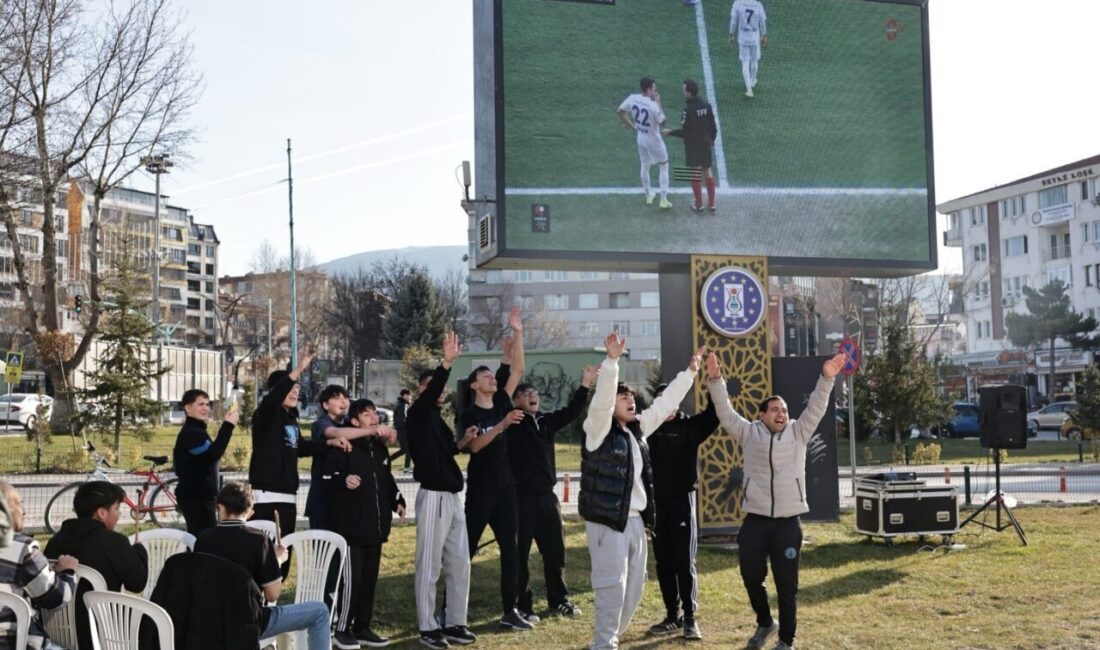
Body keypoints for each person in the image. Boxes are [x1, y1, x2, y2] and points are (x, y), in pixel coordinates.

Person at [706, 351, 843, 650]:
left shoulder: (798, 432)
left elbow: (817, 407)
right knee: (751, 576)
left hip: (788, 524)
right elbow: (725, 412)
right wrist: (716, 380)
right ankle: (766, 622)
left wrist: (827, 378)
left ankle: (786, 641)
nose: (781, 413)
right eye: (774, 410)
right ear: (761, 415)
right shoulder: (748, 433)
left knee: (787, 587)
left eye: (784, 409)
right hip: (755, 521)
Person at [580, 333, 704, 650]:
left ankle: (608, 637)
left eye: (632, 397)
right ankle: (605, 642)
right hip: (608, 520)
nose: (630, 400)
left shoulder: (637, 430)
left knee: (634, 586)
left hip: (636, 521)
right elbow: (602, 400)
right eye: (624, 398)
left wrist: (690, 372)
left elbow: (665, 404)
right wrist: (611, 363)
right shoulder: (597, 431)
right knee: (612, 584)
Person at [194, 482, 332, 650]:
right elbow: (272, 595)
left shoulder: (203, 539)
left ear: (220, 507)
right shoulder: (258, 540)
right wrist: (276, 562)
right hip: (248, 622)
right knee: (320, 612)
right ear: (250, 512)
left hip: (208, 623)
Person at [461, 306, 531, 631]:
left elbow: (517, 369)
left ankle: (510, 610)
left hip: (506, 489)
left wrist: (517, 332)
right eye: (485, 375)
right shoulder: (469, 415)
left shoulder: (503, 400)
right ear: (474, 386)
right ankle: (451, 608)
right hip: (480, 491)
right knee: (466, 551)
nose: (492, 377)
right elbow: (474, 446)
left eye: (492, 375)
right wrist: (501, 426)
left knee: (512, 550)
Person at [507, 365, 596, 620]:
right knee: (520, 553)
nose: (532, 395)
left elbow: (571, 412)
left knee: (555, 551)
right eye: (525, 393)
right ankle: (522, 604)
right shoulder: (511, 422)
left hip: (548, 497)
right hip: (521, 499)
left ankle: (559, 599)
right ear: (516, 400)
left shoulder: (545, 421)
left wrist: (585, 384)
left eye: (535, 392)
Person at [407, 331, 477, 649]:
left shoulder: (436, 418)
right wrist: (446, 363)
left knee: (460, 562)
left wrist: (462, 442)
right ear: (422, 391)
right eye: (430, 385)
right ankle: (427, 627)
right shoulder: (418, 413)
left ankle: (455, 623)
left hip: (452, 496)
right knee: (430, 565)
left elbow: (449, 449)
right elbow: (432, 388)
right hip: (433, 495)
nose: (437, 389)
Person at [248, 346, 351, 557]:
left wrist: (329, 443)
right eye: (290, 388)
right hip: (267, 497)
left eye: (297, 389)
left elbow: (301, 448)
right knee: (265, 558)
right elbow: (273, 398)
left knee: (284, 555)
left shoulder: (291, 420)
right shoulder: (265, 415)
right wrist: (298, 369)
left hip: (288, 496)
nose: (295, 391)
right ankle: (259, 591)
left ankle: (276, 590)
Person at [323, 399, 407, 648]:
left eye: (374, 413)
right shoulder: (343, 446)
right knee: (353, 582)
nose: (373, 418)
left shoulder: (379, 449)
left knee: (369, 580)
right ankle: (341, 629)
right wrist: (344, 479)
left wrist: (397, 499)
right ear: (355, 421)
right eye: (366, 414)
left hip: (376, 529)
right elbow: (327, 477)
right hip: (351, 531)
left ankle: (363, 627)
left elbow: (386, 478)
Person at [644, 384, 719, 641]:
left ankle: (689, 618)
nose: (666, 405)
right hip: (656, 504)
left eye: (670, 400)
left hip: (681, 502)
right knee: (663, 563)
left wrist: (713, 385)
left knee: (683, 562)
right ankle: (671, 615)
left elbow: (714, 413)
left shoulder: (690, 427)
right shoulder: (647, 428)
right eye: (661, 400)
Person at [43, 481, 149, 650]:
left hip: (57, 633)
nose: (119, 514)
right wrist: (140, 551)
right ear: (101, 513)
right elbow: (137, 584)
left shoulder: (56, 541)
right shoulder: (114, 542)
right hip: (105, 634)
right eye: (116, 509)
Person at [0, 482, 78, 650]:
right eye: (20, 504)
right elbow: (56, 598)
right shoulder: (21, 549)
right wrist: (67, 572)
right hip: (16, 643)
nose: (24, 511)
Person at [172, 388, 239, 535]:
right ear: (187, 408)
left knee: (202, 540)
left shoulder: (198, 430)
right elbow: (213, 454)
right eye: (201, 404)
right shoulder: (191, 432)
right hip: (195, 498)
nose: (206, 408)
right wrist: (228, 426)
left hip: (202, 497)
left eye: (208, 404)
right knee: (202, 541)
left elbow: (210, 455)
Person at [664, 79, 718, 213]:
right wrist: (711, 141)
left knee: (695, 173)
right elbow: (713, 127)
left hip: (693, 146)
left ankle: (699, 204)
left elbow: (686, 133)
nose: (683, 92)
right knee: (708, 171)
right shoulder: (706, 105)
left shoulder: (687, 110)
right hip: (705, 144)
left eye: (684, 90)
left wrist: (670, 132)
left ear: (689, 92)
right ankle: (712, 204)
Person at [617, 77, 672, 209]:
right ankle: (663, 200)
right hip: (654, 140)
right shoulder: (653, 105)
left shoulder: (632, 98)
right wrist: (658, 101)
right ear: (648, 89)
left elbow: (620, 111)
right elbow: (663, 122)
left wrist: (632, 126)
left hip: (641, 138)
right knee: (664, 166)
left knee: (645, 165)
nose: (655, 90)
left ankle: (648, 195)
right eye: (654, 88)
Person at [729, 0, 768, 97]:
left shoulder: (737, 3)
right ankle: (753, 81)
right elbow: (762, 22)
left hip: (743, 37)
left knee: (745, 62)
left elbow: (733, 21)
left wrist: (731, 34)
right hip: (754, 37)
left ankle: (749, 89)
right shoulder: (758, 5)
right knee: (754, 60)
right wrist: (763, 35)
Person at [394, 388, 413, 471]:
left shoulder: (401, 404)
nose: (410, 397)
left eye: (410, 395)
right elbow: (403, 419)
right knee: (409, 449)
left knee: (403, 450)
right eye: (408, 395)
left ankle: (385, 462)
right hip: (404, 430)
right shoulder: (403, 405)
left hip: (401, 430)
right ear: (404, 395)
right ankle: (407, 467)